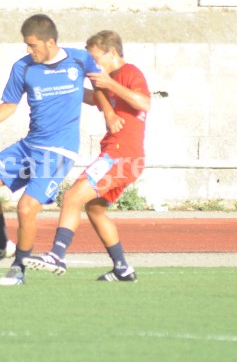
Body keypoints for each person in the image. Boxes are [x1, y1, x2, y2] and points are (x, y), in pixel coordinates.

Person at [0, 14, 106, 286]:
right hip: (30, 145)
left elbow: (102, 89)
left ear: (50, 41)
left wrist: (109, 110)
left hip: (59, 151)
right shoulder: (23, 67)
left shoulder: (80, 59)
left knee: (27, 207)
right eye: (26, 45)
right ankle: (1, 244)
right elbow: (9, 104)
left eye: (33, 45)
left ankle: (19, 268)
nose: (29, 51)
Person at [23, 30, 151, 282]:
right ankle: (122, 268)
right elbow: (93, 98)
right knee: (94, 209)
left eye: (96, 57)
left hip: (120, 156)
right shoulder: (108, 81)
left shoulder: (130, 72)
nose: (93, 63)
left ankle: (57, 255)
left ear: (112, 53)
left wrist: (110, 83)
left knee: (72, 196)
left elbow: (143, 103)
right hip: (122, 158)